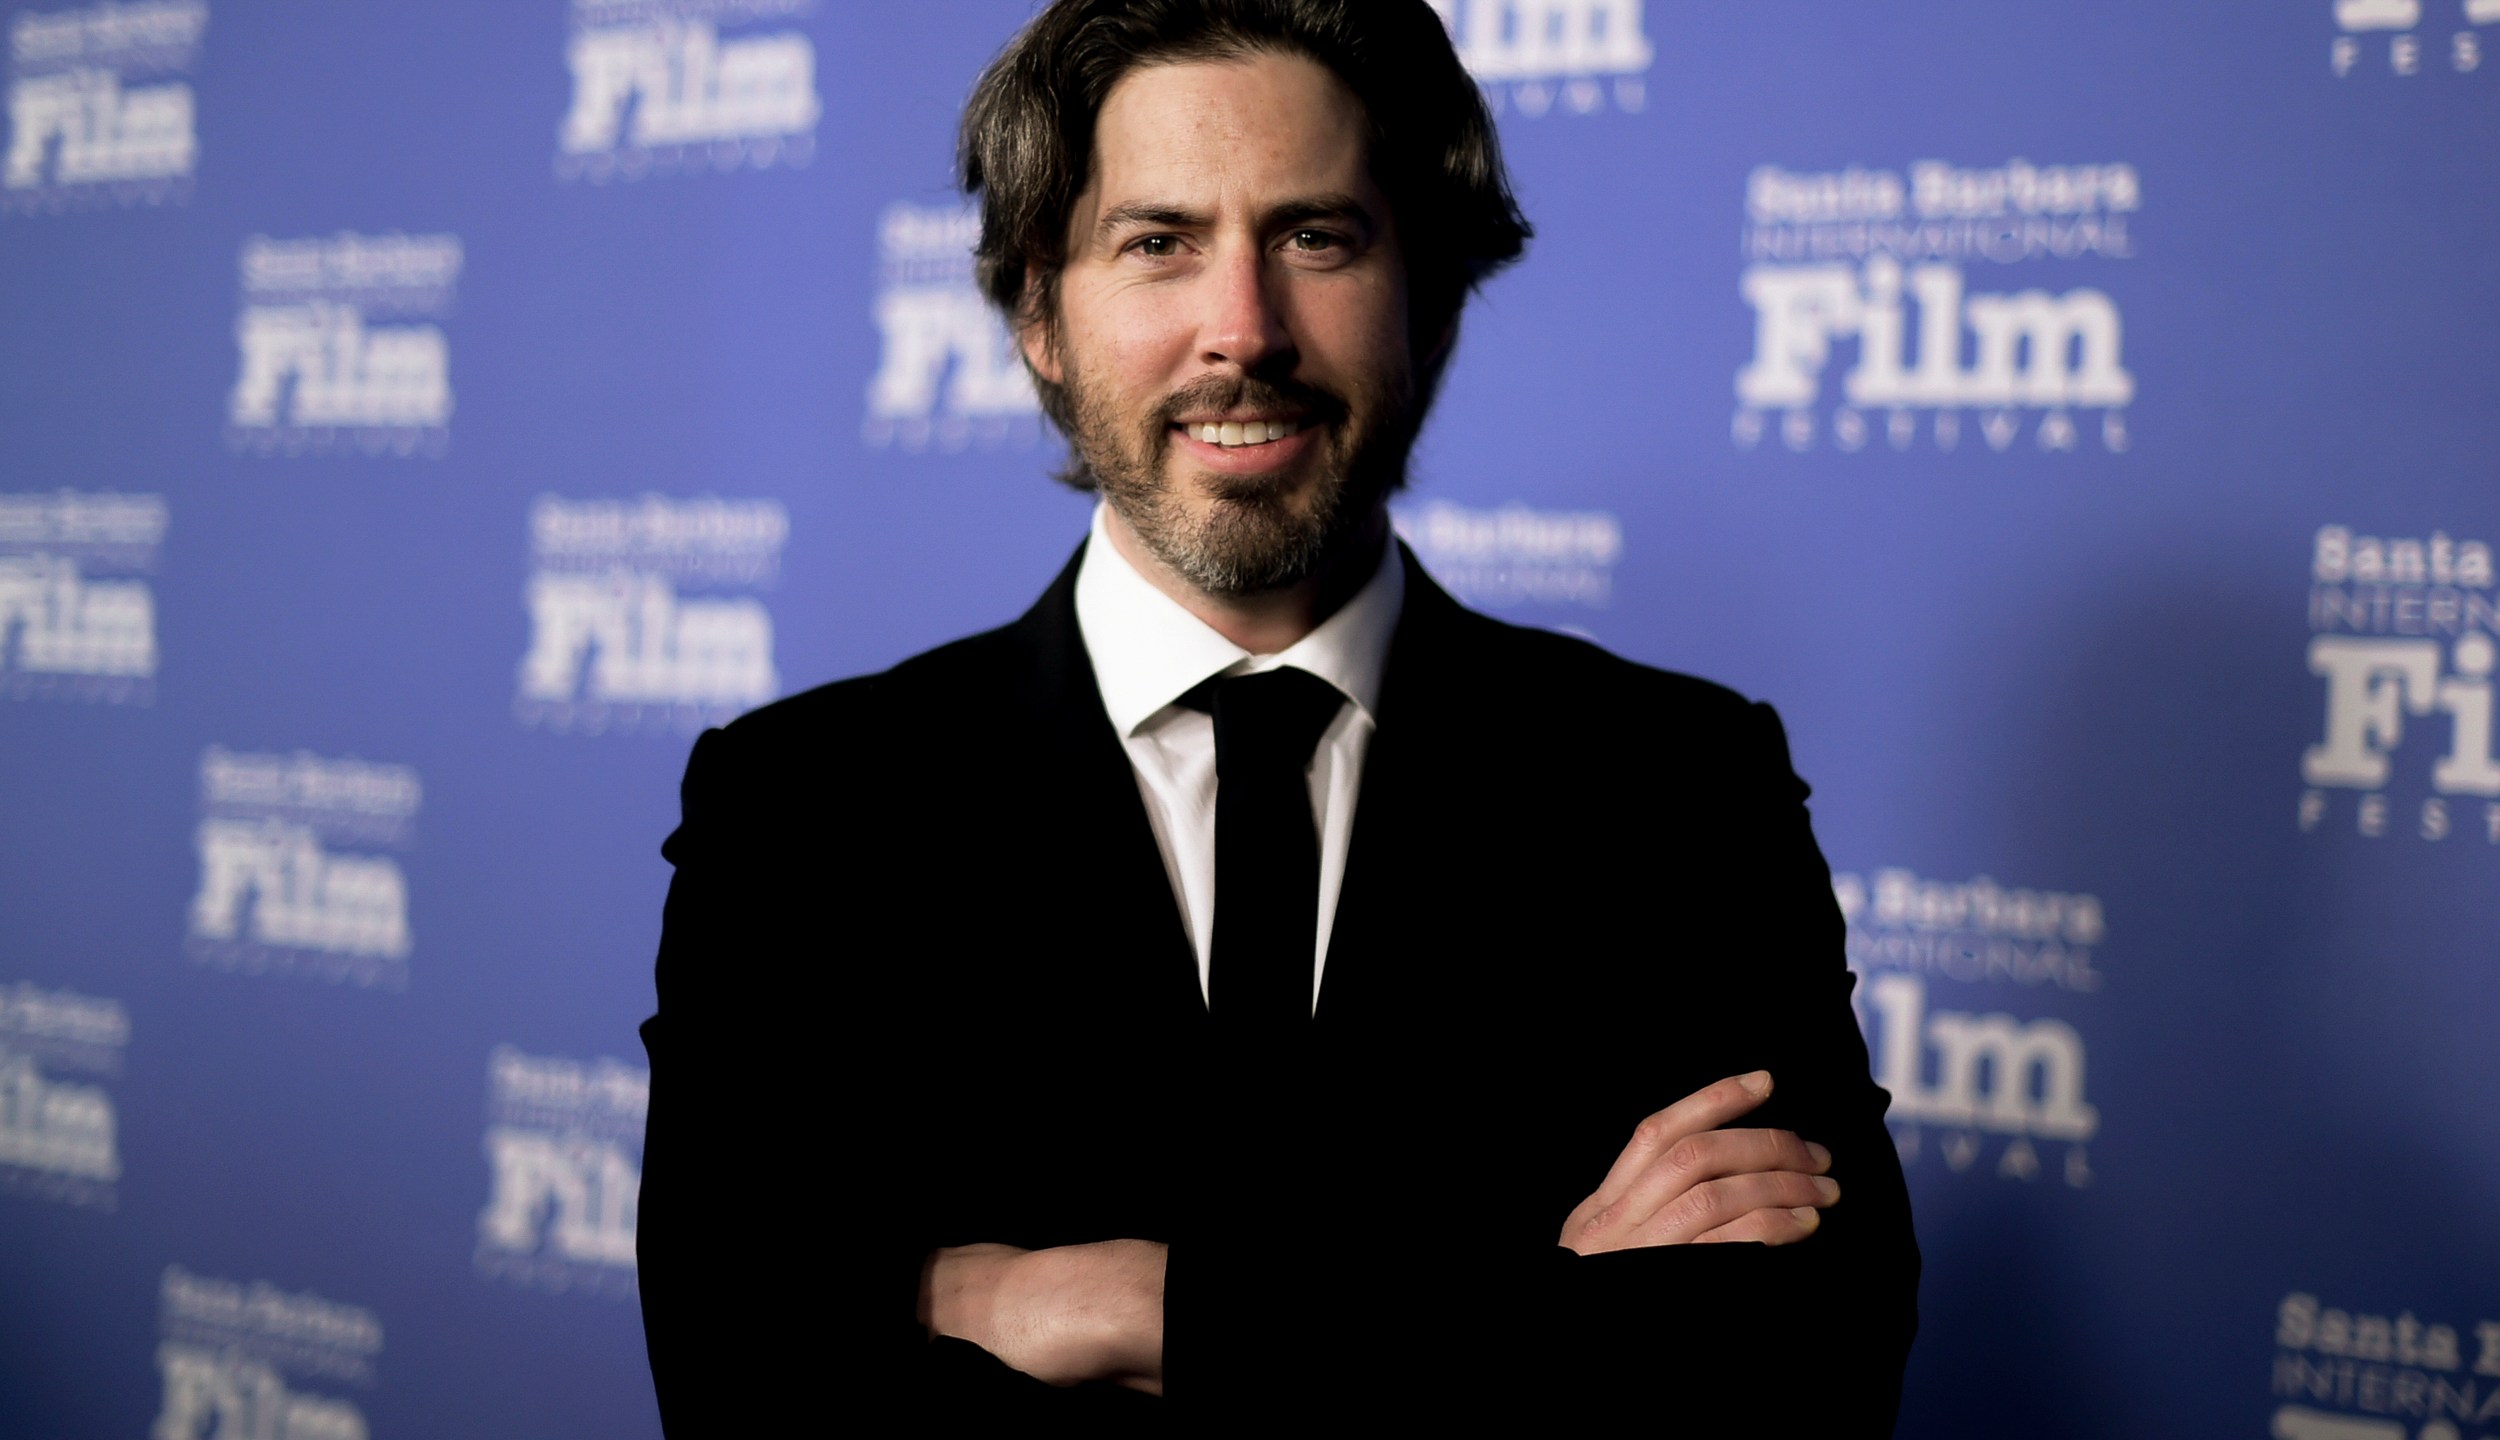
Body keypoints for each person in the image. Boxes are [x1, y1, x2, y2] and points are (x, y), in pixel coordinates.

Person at [636, 0, 1919, 1428]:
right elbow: (745, 1373)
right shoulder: (803, 810)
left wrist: (1089, 1302)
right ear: (1037, 317)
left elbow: (1804, 1365)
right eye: (1157, 243)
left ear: (1430, 298)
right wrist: (1541, 1298)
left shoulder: (1676, 786)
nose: (1241, 330)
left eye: (1317, 237)